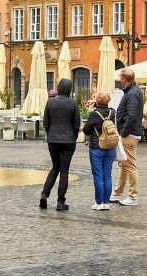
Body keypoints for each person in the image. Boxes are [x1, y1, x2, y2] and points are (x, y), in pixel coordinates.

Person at [40, 78, 80, 211]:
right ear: (69, 89)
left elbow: (45, 122)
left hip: (53, 140)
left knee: (55, 167)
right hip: (68, 141)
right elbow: (76, 124)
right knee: (64, 171)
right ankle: (60, 201)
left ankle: (44, 195)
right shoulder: (73, 103)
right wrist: (73, 137)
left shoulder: (50, 102)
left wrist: (51, 133)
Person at [112, 68, 144, 206]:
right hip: (129, 132)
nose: (119, 79)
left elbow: (132, 115)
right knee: (123, 164)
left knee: (129, 165)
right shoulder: (133, 91)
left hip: (129, 134)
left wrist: (124, 131)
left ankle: (133, 196)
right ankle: (117, 193)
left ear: (124, 79)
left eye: (120, 77)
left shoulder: (132, 93)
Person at [82, 91, 116, 211]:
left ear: (97, 101)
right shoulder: (112, 112)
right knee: (107, 175)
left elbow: (86, 130)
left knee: (98, 175)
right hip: (110, 147)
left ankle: (99, 202)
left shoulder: (94, 114)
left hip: (97, 148)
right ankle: (106, 202)